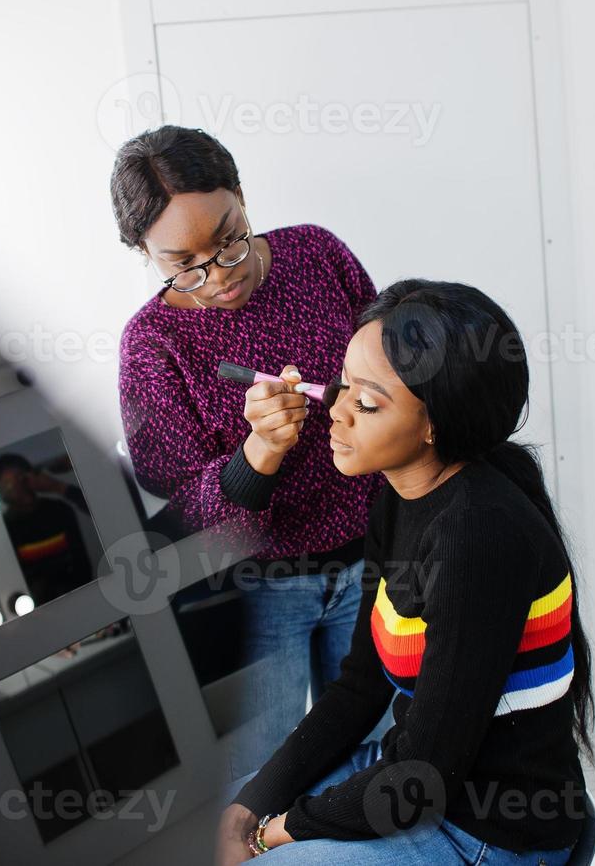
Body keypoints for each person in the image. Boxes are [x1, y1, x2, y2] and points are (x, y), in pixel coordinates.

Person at [216, 279, 595, 864]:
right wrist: (252, 804)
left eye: (366, 403)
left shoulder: (479, 535)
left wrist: (273, 833)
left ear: (434, 424)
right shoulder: (396, 498)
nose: (336, 414)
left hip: (486, 831)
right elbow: (361, 687)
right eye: (342, 386)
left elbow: (420, 782)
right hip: (423, 788)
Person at [111, 126, 390, 780]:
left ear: (240, 193)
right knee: (262, 784)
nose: (219, 273)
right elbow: (183, 520)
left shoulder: (316, 255)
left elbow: (385, 367)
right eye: (185, 263)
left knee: (373, 759)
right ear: (142, 250)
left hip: (372, 560)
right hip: (259, 595)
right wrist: (258, 451)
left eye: (230, 237)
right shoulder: (152, 346)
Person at [0, 453, 95, 605]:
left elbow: (82, 563)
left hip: (81, 598)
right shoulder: (5, 530)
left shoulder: (59, 510)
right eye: (9, 485)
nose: (19, 487)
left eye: (21, 478)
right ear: (0, 492)